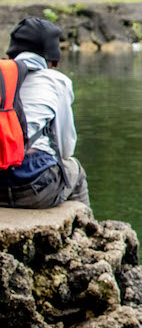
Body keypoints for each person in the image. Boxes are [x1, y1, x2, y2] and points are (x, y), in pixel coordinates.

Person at [1, 17, 89, 208]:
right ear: (51, 60)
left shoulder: (2, 79)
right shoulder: (56, 81)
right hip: (35, 188)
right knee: (75, 170)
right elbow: (66, 148)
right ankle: (86, 224)